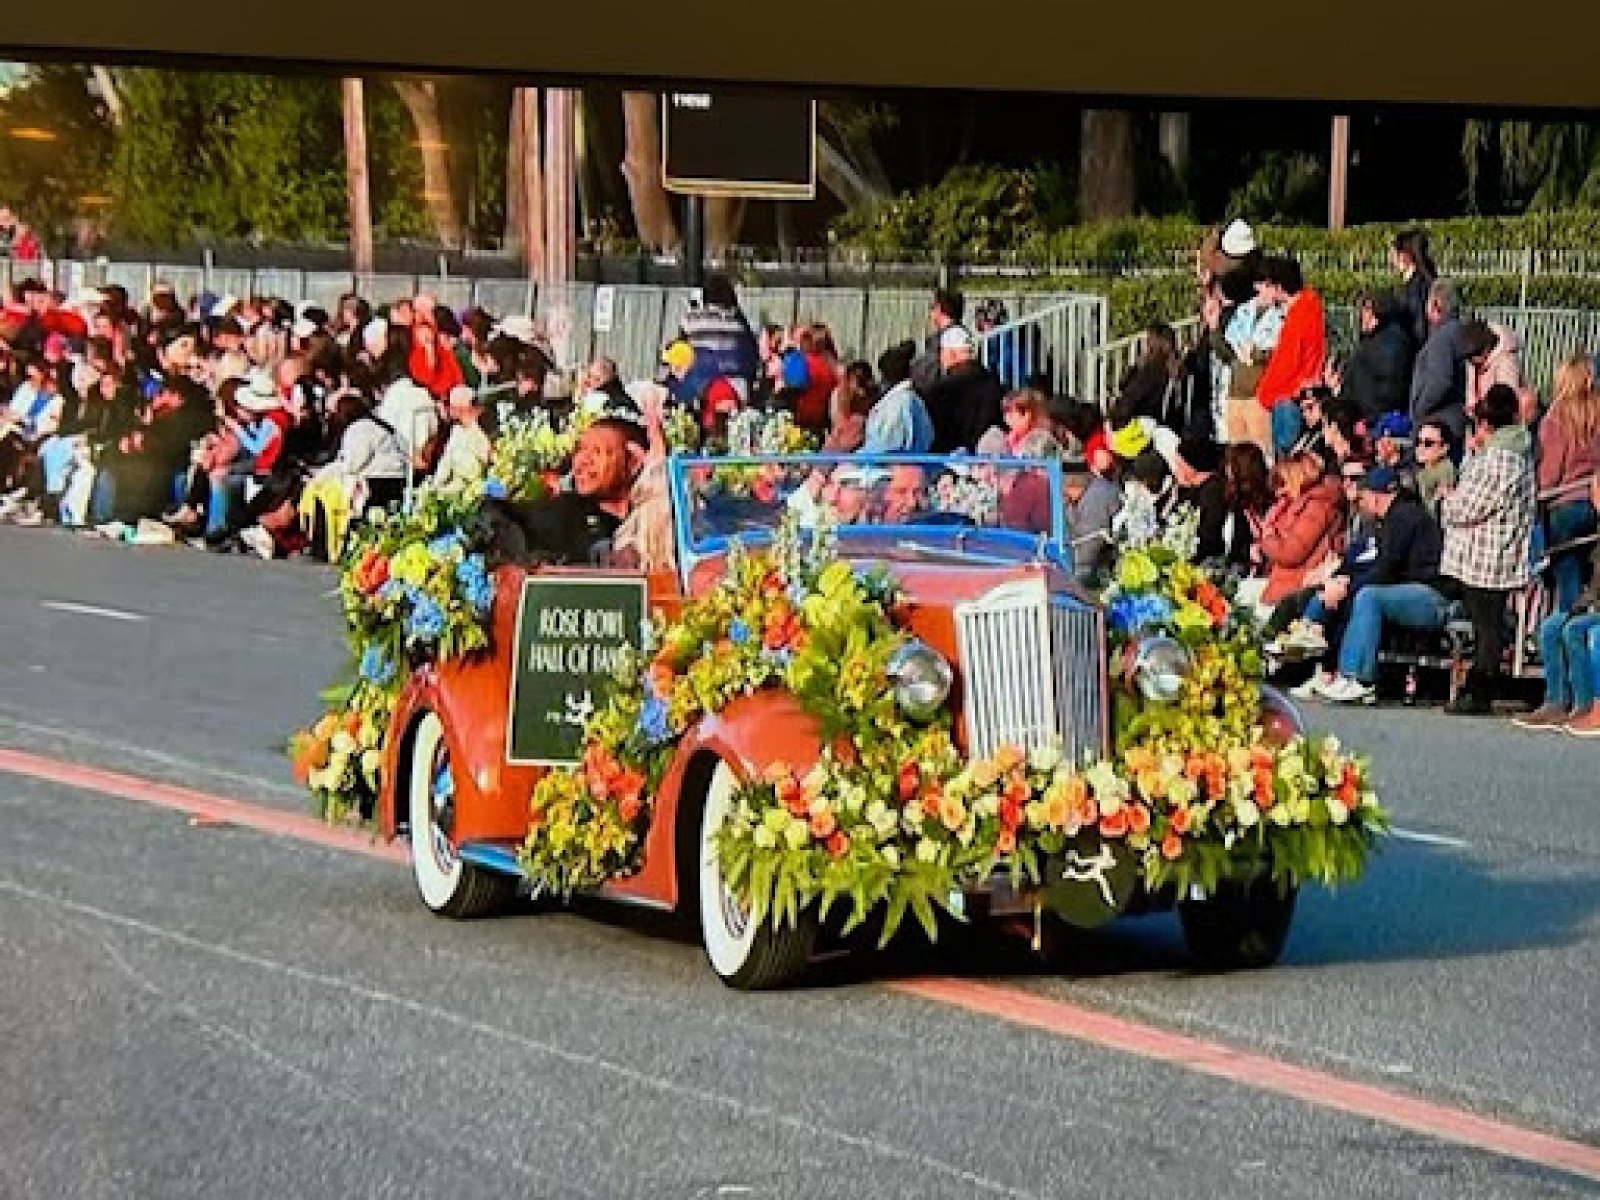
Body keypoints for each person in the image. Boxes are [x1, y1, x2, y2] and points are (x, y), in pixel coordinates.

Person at [1436, 383, 1538, 715]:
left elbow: (1470, 507)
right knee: (1488, 624)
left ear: (1486, 425)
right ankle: (1480, 685)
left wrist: (1447, 500)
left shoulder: (1498, 459)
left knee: (1487, 627)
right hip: (1498, 550)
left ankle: (1479, 690)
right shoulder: (1519, 454)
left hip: (1485, 555)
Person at [1315, 466, 1449, 706]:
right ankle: (1337, 672)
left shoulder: (1404, 517)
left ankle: (1359, 678)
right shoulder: (1392, 518)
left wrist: (1348, 586)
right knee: (1353, 593)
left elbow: (1387, 569)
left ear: (1374, 496)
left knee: (1369, 596)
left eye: (1363, 497)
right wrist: (1342, 580)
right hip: (1408, 590)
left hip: (1432, 595)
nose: (1361, 503)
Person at [493, 418, 647, 565]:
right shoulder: (563, 512)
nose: (583, 461)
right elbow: (500, 515)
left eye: (597, 451)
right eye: (580, 450)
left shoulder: (652, 515)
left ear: (633, 462)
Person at [1516, 478, 1600, 736]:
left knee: (1575, 629)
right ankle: (1556, 702)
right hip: (1593, 604)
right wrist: (1583, 604)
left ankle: (1586, 705)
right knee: (1551, 627)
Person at [1536, 354, 1600, 613]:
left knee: (1566, 577)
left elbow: (1551, 472)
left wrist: (1537, 497)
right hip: (1594, 501)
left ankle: (1565, 624)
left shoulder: (1557, 418)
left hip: (1565, 503)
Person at [1254, 256, 1328, 459]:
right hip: (1298, 395)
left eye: (1267, 285)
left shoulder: (1298, 317)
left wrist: (1265, 393)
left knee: (1286, 463)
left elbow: (1286, 365)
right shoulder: (1309, 308)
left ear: (1279, 287)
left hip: (1288, 398)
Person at [1254, 451, 1345, 609]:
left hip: (1297, 589)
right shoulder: (1295, 505)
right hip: (1286, 586)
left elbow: (1292, 552)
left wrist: (1267, 537)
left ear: (1296, 479)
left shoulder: (1317, 506)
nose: (1278, 492)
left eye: (1282, 483)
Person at [1408, 280, 1482, 445]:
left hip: (1437, 424)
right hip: (1453, 419)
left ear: (1436, 304)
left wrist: (1419, 409)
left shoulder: (1442, 339)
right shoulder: (1459, 331)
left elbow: (1440, 382)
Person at [1333, 292, 1413, 422]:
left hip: (1372, 419)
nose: (1362, 315)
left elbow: (1384, 390)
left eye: (1367, 309)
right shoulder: (1374, 342)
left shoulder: (1387, 344)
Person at [925, 326, 1005, 454]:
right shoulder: (995, 385)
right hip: (987, 459)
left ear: (950, 353)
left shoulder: (942, 390)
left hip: (948, 459)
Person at [678, 274, 759, 401]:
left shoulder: (691, 320)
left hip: (697, 388)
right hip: (736, 390)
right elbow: (751, 357)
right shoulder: (739, 322)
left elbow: (679, 353)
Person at [1062, 441, 1123, 585]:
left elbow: (1090, 550)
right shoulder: (1065, 497)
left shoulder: (1102, 494)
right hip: (1071, 561)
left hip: (1099, 566)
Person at [863, 341, 935, 454]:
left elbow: (887, 445)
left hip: (890, 462)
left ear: (884, 376)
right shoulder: (911, 399)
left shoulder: (898, 404)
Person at [1171, 436, 1228, 564]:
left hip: (1209, 559)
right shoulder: (1189, 488)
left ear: (1192, 466)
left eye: (1180, 466)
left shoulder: (1213, 492)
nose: (1175, 470)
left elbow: (1209, 533)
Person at [433, 385, 493, 493]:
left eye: (452, 407)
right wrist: (436, 485)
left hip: (477, 487)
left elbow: (485, 460)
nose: (450, 411)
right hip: (457, 486)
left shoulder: (482, 431)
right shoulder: (457, 429)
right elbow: (446, 460)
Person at [1390, 227, 1437, 353]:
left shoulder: (1416, 287)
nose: (1391, 259)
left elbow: (1418, 325)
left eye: (1394, 253)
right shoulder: (1423, 281)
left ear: (1404, 255)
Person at [911, 288, 966, 393]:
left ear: (940, 309)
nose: (930, 312)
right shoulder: (945, 336)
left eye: (932, 307)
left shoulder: (953, 337)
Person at [1412, 420, 1456, 517]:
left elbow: (1438, 511)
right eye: (1418, 442)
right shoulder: (1423, 470)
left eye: (1428, 443)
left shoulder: (1445, 470)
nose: (1421, 447)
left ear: (1444, 448)